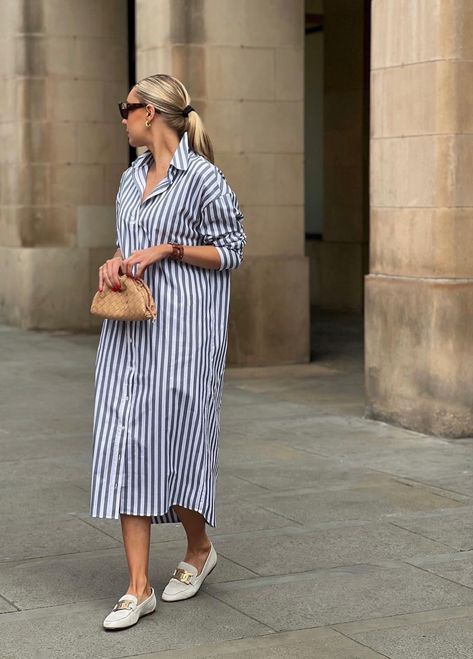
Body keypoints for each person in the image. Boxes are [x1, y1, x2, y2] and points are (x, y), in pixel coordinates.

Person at [88, 73, 246, 630]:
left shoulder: (202, 178)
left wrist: (170, 248)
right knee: (130, 444)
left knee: (176, 448)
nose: (122, 116)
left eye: (125, 108)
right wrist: (117, 262)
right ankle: (137, 588)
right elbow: (129, 247)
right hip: (130, 335)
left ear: (150, 112)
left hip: (185, 338)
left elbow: (232, 249)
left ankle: (198, 548)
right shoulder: (130, 179)